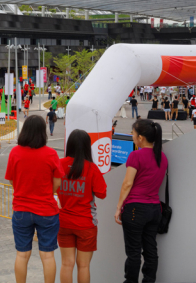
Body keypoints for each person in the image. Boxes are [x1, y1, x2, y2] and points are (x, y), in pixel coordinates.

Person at [5, 115, 63, 283]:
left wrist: (22, 189)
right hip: (47, 210)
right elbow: (58, 182)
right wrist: (45, 192)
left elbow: (11, 179)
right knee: (47, 255)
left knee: (22, 254)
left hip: (21, 209)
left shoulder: (15, 152)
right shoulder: (51, 154)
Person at [115, 119, 167, 283]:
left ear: (141, 138)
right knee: (151, 250)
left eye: (133, 134)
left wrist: (118, 208)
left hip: (135, 209)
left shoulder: (136, 155)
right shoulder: (162, 157)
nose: (132, 136)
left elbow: (127, 183)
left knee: (133, 252)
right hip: (154, 210)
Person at [57, 130, 107, 283]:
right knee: (83, 266)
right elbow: (102, 193)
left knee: (66, 264)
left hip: (63, 222)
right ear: (87, 147)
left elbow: (51, 186)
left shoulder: (59, 164)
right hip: (86, 223)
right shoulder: (92, 168)